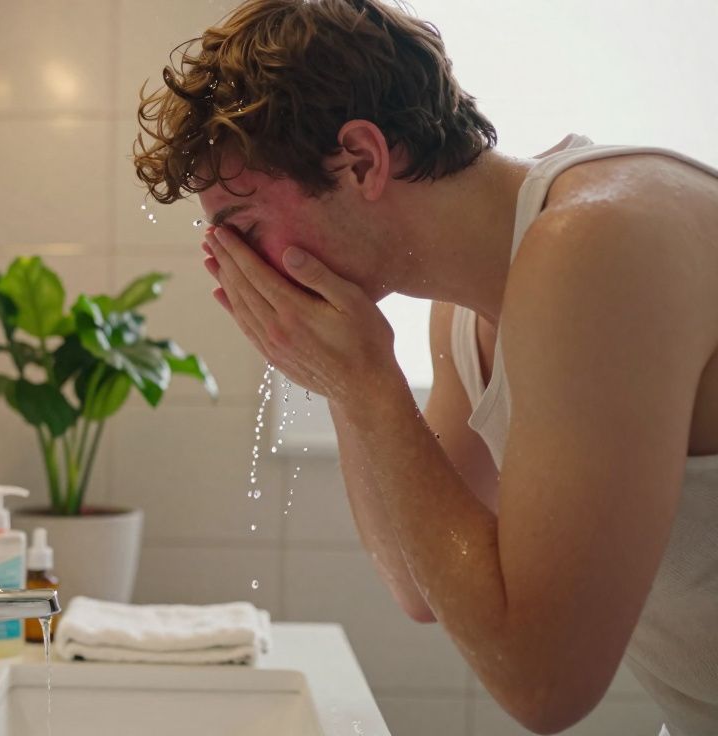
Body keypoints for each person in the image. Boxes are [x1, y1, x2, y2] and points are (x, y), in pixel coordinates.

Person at [132, 1, 718, 734]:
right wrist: (345, 380)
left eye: (244, 229)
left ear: (362, 160)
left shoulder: (596, 244)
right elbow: (419, 583)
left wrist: (367, 383)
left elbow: (544, 686)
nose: (243, 266)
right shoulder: (468, 308)